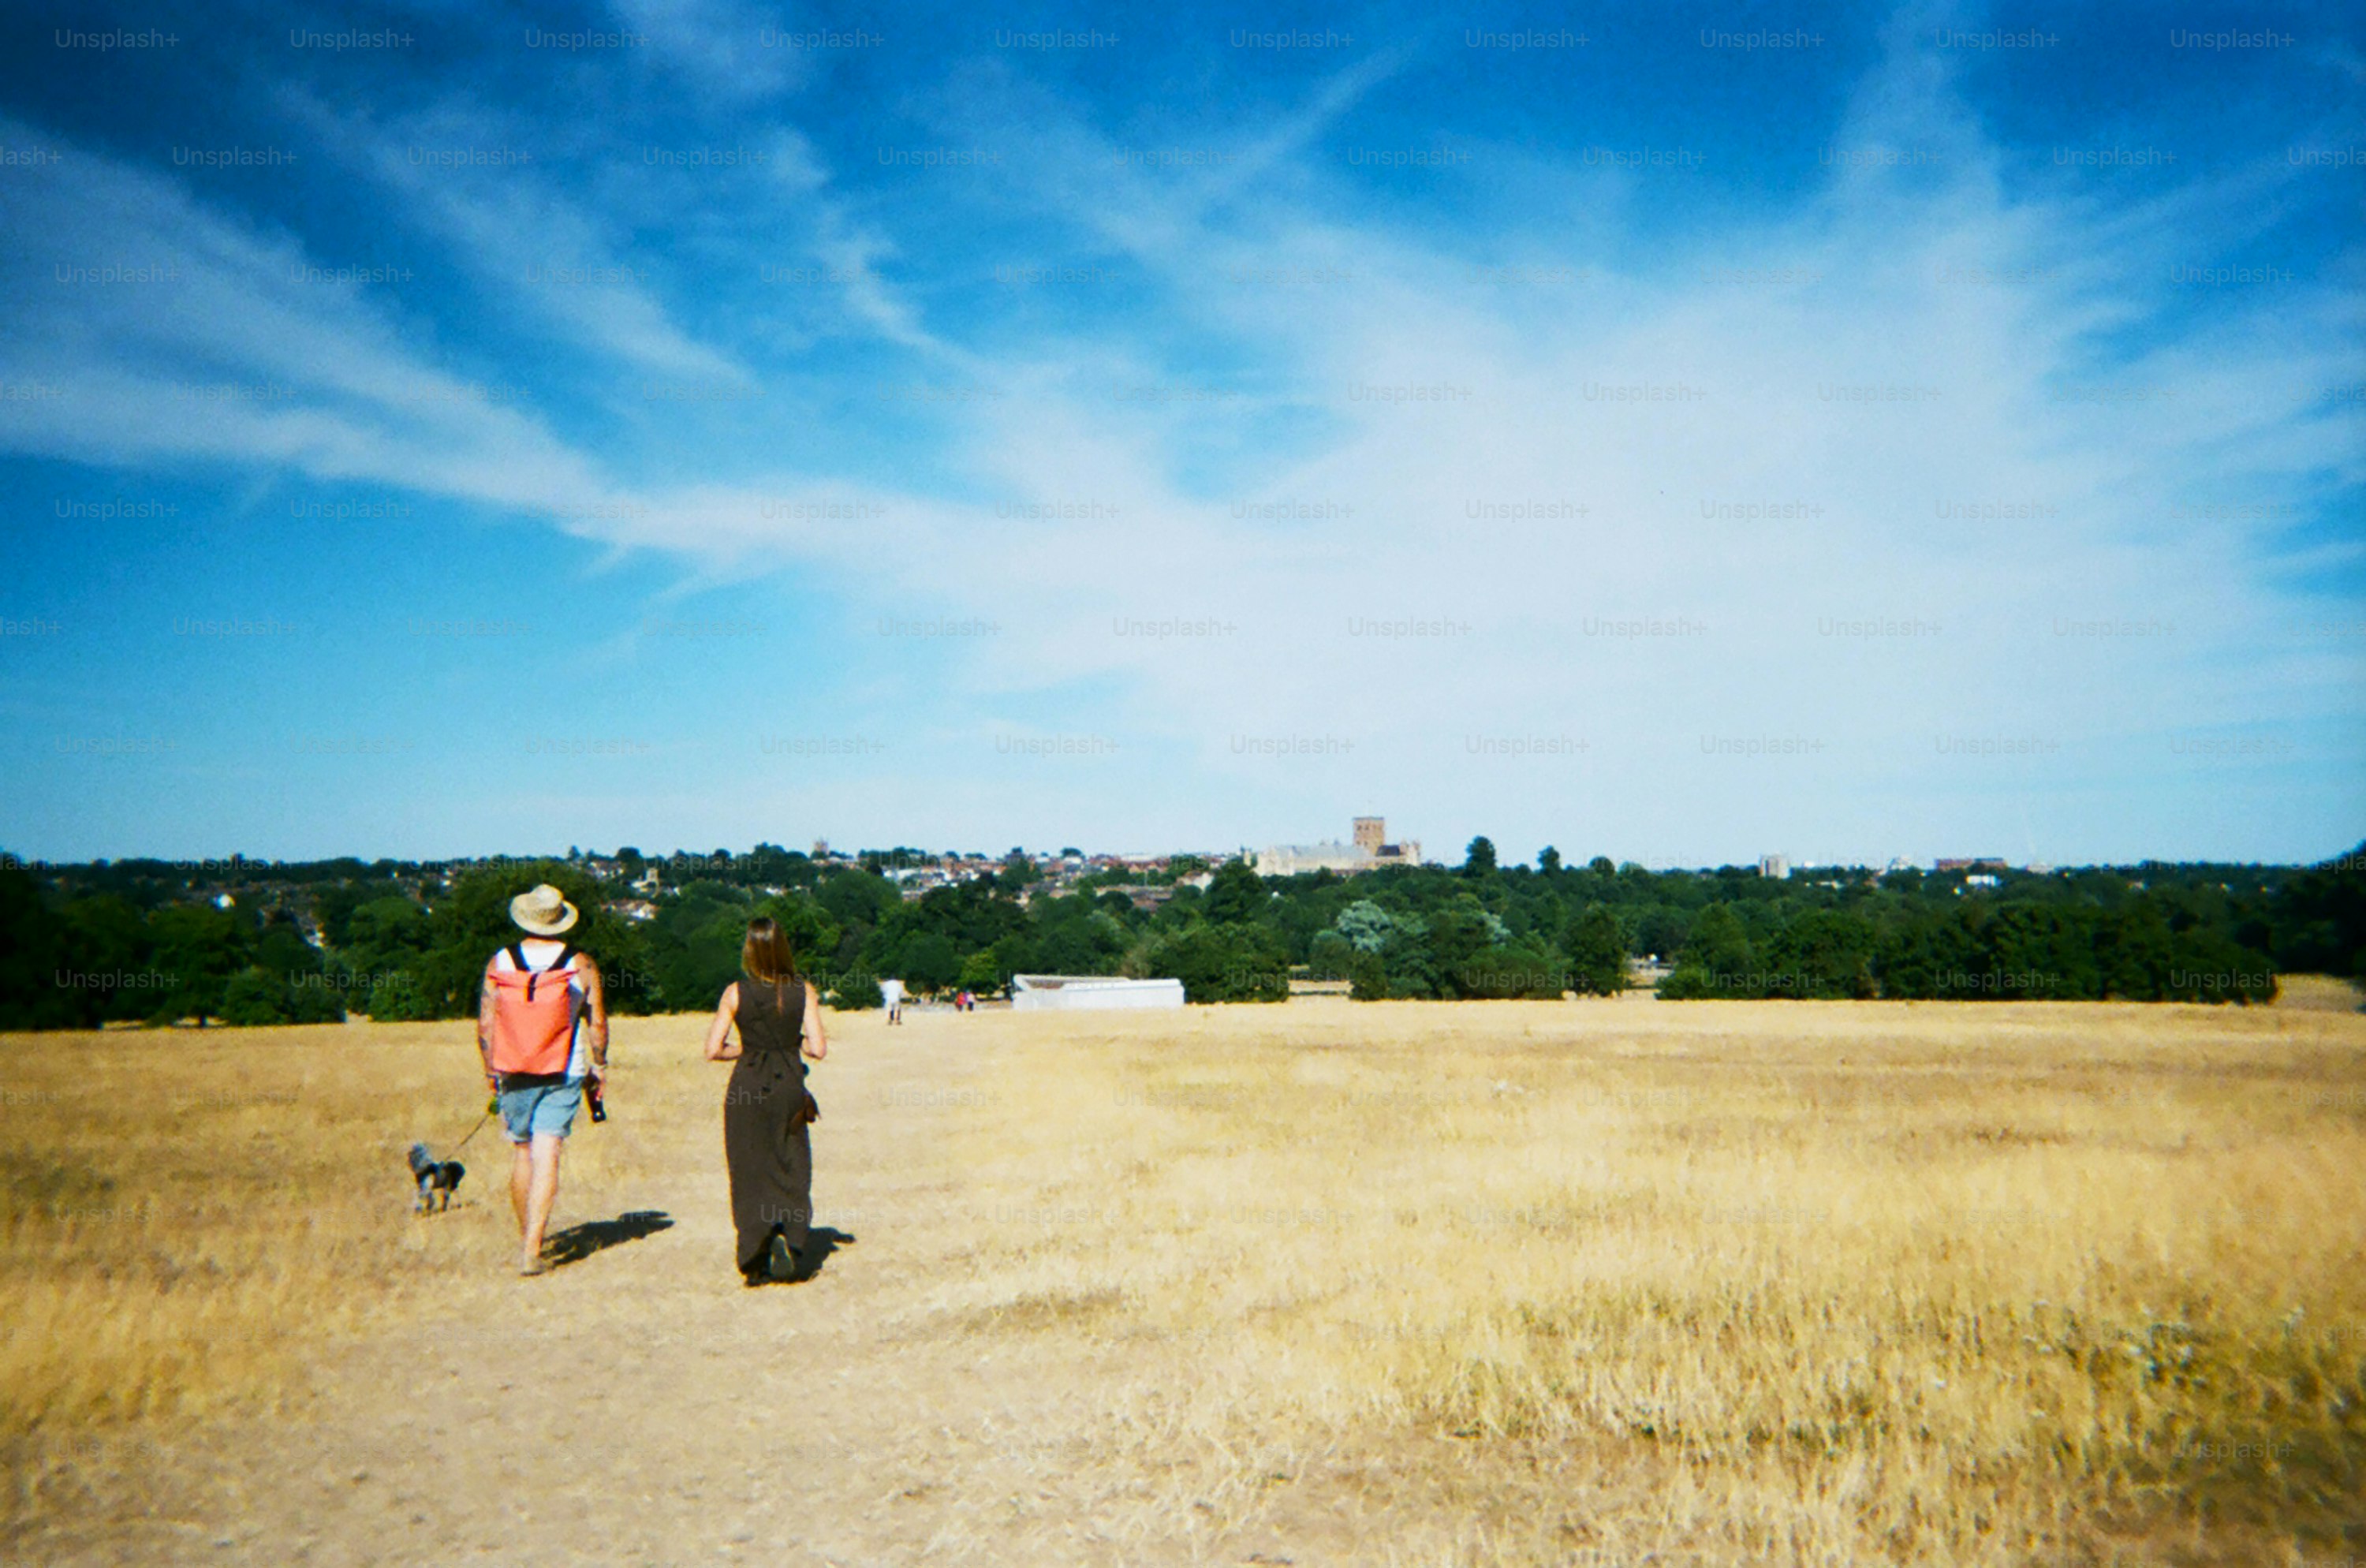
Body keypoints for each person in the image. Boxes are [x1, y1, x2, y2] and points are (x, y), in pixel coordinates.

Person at [476, 883, 607, 1278]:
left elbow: (485, 1024)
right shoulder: (580, 963)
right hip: (564, 1067)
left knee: (522, 1153)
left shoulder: (500, 961)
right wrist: (600, 1065)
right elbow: (597, 1024)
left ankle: (527, 1239)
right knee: (547, 1154)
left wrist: (491, 1070)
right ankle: (532, 1249)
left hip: (513, 1066)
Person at [703, 917, 827, 1286]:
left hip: (747, 1086)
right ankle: (790, 1234)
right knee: (791, 1161)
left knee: (749, 1168)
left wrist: (747, 1049)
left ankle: (755, 1254)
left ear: (749, 951)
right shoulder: (803, 991)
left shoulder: (735, 993)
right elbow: (818, 1049)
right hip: (788, 1084)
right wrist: (793, 1042)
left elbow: (713, 1050)